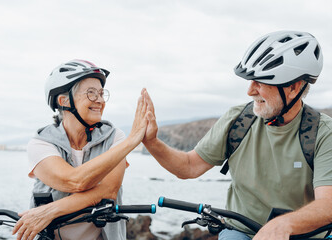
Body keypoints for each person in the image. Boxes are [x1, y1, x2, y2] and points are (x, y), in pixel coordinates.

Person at [142, 31, 332, 239]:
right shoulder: (238, 120)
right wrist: (152, 142)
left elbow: (327, 204)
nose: (250, 91)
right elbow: (188, 166)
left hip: (302, 235)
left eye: (260, 81)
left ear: (293, 88)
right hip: (242, 232)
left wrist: (283, 225)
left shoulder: (322, 133)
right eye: (250, 81)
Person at [12, 59, 149, 240]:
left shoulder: (115, 138)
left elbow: (109, 191)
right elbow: (74, 181)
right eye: (91, 93)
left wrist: (49, 211)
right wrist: (131, 142)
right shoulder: (41, 144)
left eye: (101, 93)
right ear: (64, 101)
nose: (100, 100)